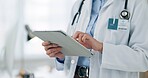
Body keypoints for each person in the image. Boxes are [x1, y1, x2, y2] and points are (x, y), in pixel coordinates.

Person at [42, 0, 148, 78]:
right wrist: (62, 55)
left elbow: (143, 59)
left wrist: (101, 47)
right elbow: (74, 53)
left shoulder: (137, 4)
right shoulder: (80, 4)